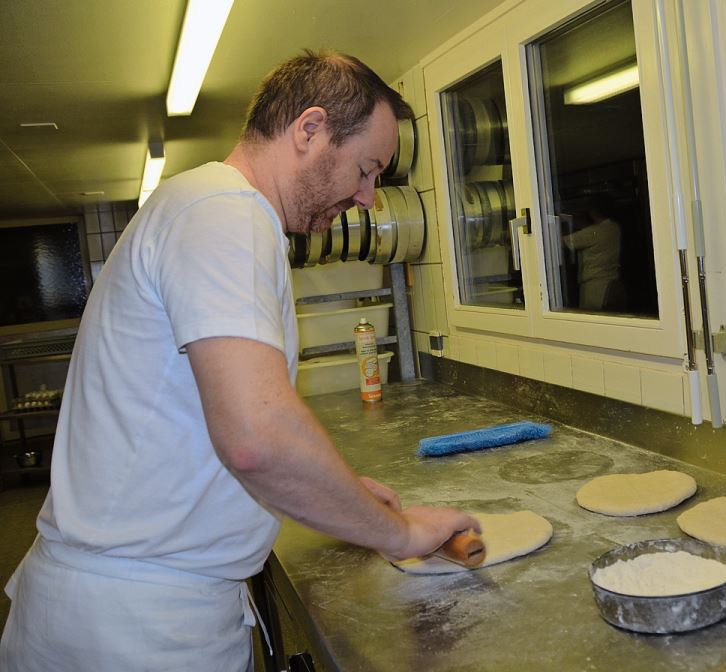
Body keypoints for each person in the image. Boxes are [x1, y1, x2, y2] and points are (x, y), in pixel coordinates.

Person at [0, 50, 479, 671]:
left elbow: (201, 426)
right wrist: (401, 532)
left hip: (121, 609)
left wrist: (333, 492)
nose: (368, 199)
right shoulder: (226, 212)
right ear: (309, 130)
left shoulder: (202, 206)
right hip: (137, 635)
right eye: (366, 170)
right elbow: (257, 437)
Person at [562, 194, 626, 311]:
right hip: (612, 283)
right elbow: (591, 232)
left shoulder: (594, 232)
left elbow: (564, 242)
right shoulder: (614, 227)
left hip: (596, 289)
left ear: (593, 211)